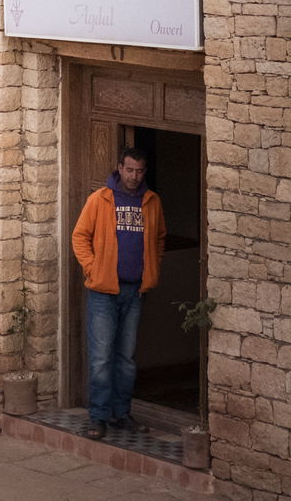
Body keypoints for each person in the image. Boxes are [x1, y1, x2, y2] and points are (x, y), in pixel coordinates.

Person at [71, 144, 166, 440]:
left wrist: (152, 269)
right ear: (119, 168)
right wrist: (93, 268)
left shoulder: (152, 202)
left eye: (139, 171)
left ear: (144, 172)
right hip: (103, 291)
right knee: (101, 357)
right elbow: (80, 236)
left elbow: (159, 239)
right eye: (129, 170)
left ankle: (121, 414)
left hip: (135, 291)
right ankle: (98, 417)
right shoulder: (100, 199)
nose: (133, 176)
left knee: (126, 358)